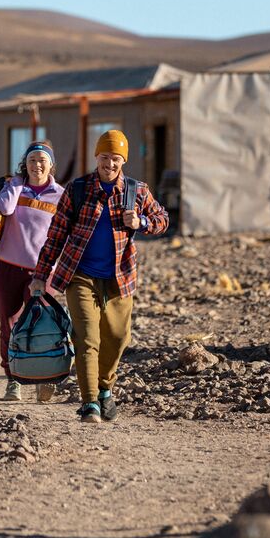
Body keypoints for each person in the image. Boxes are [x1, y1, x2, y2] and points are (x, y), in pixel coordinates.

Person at [30, 129, 169, 423]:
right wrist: (41, 275)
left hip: (119, 279)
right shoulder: (77, 189)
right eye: (105, 157)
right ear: (97, 157)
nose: (110, 164)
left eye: (116, 158)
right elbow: (55, 235)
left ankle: (106, 389)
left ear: (123, 161)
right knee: (87, 338)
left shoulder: (137, 191)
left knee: (117, 338)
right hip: (80, 275)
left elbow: (163, 220)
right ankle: (90, 401)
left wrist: (142, 221)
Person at [0, 141, 65, 402]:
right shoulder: (15, 187)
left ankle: (43, 381)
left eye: (42, 160)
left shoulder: (60, 195)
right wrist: (16, 183)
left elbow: (65, 234)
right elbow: (5, 208)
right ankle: (13, 380)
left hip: (41, 272)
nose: (37, 165)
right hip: (7, 269)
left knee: (40, 327)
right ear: (26, 164)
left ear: (51, 164)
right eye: (32, 160)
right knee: (9, 325)